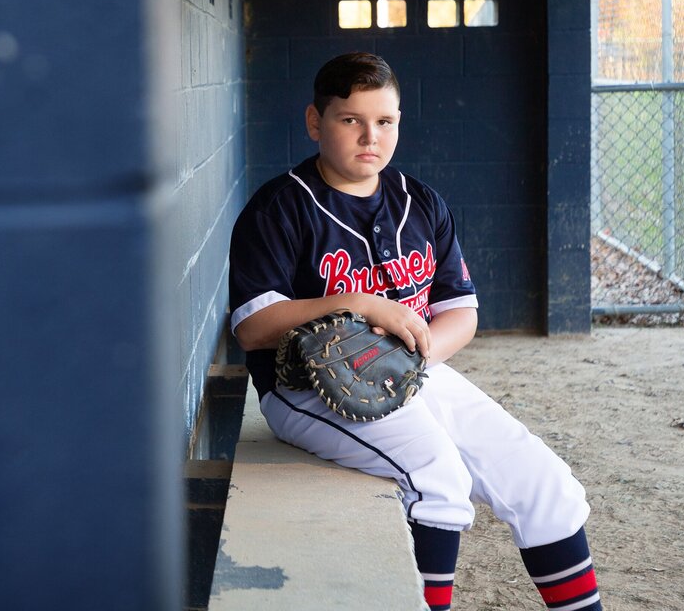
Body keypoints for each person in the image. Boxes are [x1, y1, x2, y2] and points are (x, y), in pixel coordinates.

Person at [228, 52, 602, 611]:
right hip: (308, 393)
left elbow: (461, 314)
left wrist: (414, 363)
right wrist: (356, 303)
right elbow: (253, 329)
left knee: (543, 481)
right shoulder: (280, 207)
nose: (369, 136)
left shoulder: (420, 201)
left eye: (385, 121)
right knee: (438, 479)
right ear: (315, 122)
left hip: (414, 376)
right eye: (350, 119)